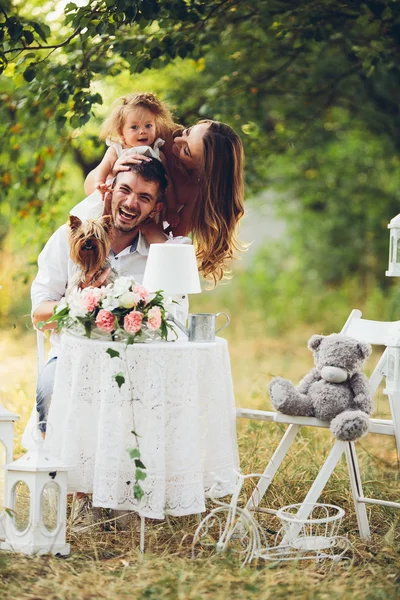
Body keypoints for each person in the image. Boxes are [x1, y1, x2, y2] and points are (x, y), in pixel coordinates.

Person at [30, 159, 188, 436]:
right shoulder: (68, 238)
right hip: (72, 357)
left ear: (156, 208)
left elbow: (176, 324)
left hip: (140, 362)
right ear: (110, 190)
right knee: (49, 392)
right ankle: (53, 470)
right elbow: (39, 316)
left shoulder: (162, 253)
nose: (130, 203)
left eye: (144, 197)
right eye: (124, 190)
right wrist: (79, 301)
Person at [84, 118, 245, 285]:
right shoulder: (153, 134)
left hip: (140, 245)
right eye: (188, 131)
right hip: (107, 224)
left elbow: (170, 246)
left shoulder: (196, 193)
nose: (177, 140)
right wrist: (113, 170)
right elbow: (89, 186)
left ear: (202, 170)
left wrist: (150, 227)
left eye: (186, 151)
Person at [71, 92, 181, 227]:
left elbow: (168, 184)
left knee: (151, 228)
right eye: (134, 127)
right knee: (100, 220)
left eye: (148, 126)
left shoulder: (158, 153)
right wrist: (100, 183)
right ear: (122, 134)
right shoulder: (117, 150)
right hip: (114, 200)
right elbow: (104, 167)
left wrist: (171, 209)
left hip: (144, 208)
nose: (142, 131)